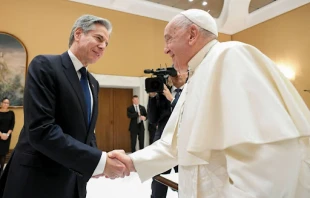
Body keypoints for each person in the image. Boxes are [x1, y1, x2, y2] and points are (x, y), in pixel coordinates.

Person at [108, 9, 310, 198]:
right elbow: (175, 145)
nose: (165, 49)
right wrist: (132, 161)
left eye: (169, 39)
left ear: (192, 34)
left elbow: (269, 159)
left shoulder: (231, 55)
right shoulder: (195, 77)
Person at [0, 15, 127, 198]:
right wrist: (99, 160)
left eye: (107, 43)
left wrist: (95, 162)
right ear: (78, 34)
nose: (103, 46)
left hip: (74, 180)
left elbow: (87, 132)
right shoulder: (45, 66)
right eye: (99, 38)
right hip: (37, 180)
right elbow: (42, 130)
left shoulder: (93, 83)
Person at [148, 72, 187, 198]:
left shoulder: (192, 92)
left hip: (184, 146)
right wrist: (153, 97)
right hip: (164, 145)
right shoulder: (162, 92)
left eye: (180, 71)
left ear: (187, 74)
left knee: (185, 184)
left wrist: (172, 99)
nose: (177, 74)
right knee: (158, 182)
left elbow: (189, 114)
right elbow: (153, 119)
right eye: (173, 72)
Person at [0, 97, 15, 175]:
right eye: (5, 102)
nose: (6, 104)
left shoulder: (11, 113)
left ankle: (1, 171)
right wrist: (0, 134)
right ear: (1, 103)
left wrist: (7, 135)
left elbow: (12, 125)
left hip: (7, 136)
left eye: (7, 103)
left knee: (3, 154)